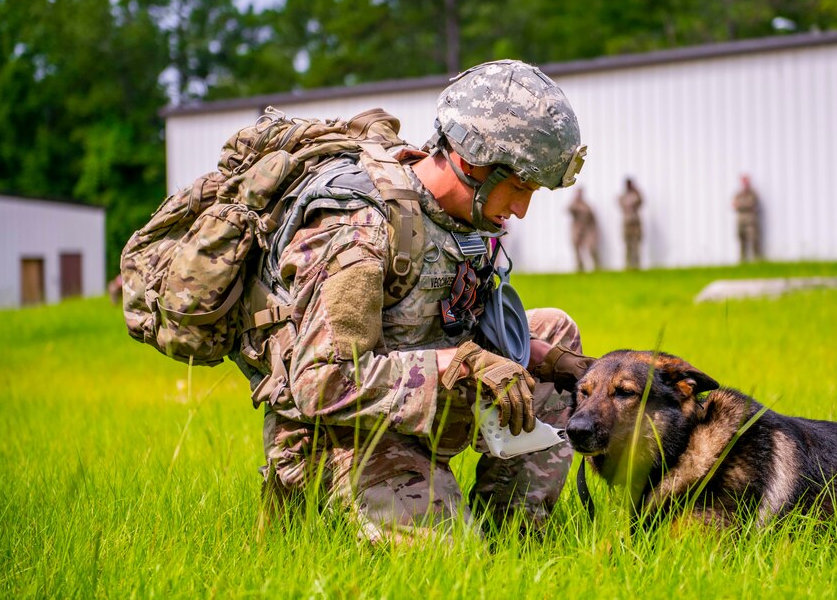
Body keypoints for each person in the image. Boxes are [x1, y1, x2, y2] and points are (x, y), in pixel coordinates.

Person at [242, 60, 594, 542]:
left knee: (554, 329)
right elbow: (322, 381)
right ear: (473, 161)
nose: (521, 209)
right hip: (344, 437)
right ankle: (331, 510)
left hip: (419, 412)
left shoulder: (464, 218)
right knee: (453, 569)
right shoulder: (359, 230)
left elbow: (455, 323)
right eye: (518, 187)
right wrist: (460, 363)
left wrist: (556, 362)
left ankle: (515, 536)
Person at [567, 188, 600, 272]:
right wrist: (575, 200)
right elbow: (569, 209)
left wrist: (593, 231)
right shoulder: (574, 204)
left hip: (587, 230)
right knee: (577, 251)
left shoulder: (586, 206)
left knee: (591, 247)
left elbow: (592, 219)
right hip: (577, 230)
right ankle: (580, 268)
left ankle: (597, 267)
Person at [732, 174, 762, 262]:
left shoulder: (753, 193)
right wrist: (742, 205)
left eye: (746, 181)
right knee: (742, 240)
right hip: (741, 221)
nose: (744, 183)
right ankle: (743, 260)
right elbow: (734, 205)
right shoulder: (738, 194)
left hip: (751, 221)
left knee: (753, 240)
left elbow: (751, 204)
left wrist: (741, 205)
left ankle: (757, 260)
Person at [618, 178, 643, 270]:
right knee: (628, 245)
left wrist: (636, 190)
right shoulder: (622, 196)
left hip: (636, 224)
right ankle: (628, 265)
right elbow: (621, 204)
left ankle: (637, 265)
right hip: (627, 224)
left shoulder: (636, 195)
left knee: (636, 245)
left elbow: (640, 201)